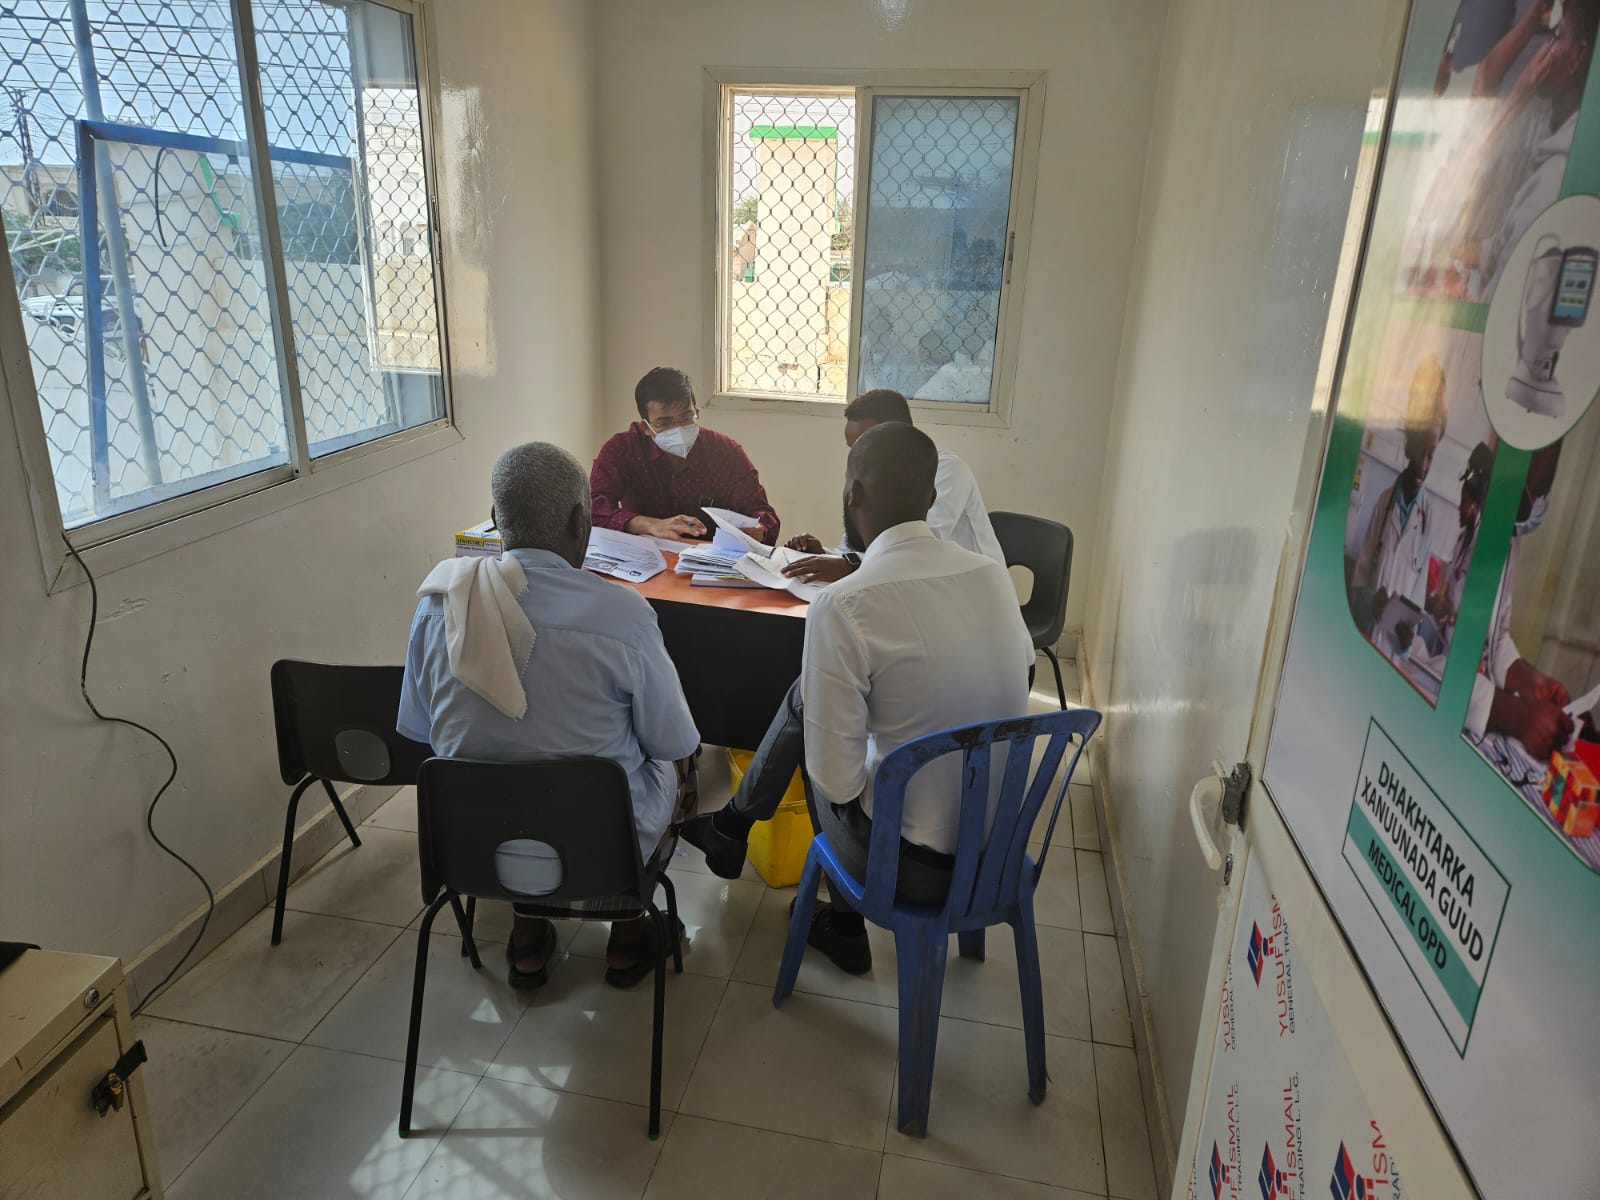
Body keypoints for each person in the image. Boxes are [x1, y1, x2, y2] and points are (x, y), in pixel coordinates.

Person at [681, 422, 1035, 974]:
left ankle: (837, 920)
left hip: (912, 870)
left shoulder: (844, 604)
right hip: (1001, 852)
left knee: (819, 729)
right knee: (823, 706)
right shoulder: (991, 577)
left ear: (852, 495)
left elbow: (838, 781)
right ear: (932, 496)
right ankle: (730, 828)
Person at [399, 442, 701, 990]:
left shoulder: (439, 603)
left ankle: (527, 936)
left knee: (504, 764)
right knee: (685, 759)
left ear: (495, 521)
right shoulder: (623, 615)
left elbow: (423, 732)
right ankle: (629, 937)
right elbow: (669, 739)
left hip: (473, 850)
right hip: (601, 851)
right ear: (581, 520)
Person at [783, 389, 1005, 585]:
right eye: (853, 448)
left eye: (866, 443)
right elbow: (859, 548)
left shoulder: (947, 470)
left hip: (970, 594)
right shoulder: (871, 476)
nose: (858, 456)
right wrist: (824, 555)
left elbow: (918, 550)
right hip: (913, 585)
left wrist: (848, 565)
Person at [1466, 441, 1578, 758]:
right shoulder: (1460, 516)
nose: (1535, 501)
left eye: (1543, 488)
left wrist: (1527, 678)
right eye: (1534, 486)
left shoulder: (1506, 533)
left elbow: (1495, 635)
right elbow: (1420, 653)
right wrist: (1517, 716)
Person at [590, 366, 780, 544]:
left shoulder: (725, 451)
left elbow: (761, 513)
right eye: (664, 423)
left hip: (711, 556)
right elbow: (592, 509)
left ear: (696, 412)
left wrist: (759, 528)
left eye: (685, 417)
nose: (678, 428)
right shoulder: (623, 449)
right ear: (645, 427)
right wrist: (651, 525)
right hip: (644, 554)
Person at [1350, 356, 1448, 631]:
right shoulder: (1385, 503)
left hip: (1393, 649)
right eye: (1419, 450)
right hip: (1367, 632)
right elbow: (1359, 578)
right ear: (1408, 447)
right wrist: (1371, 601)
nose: (1424, 464)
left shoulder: (1428, 518)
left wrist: (1406, 641)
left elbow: (1416, 599)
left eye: (1431, 455)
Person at [1427, 440, 1495, 634]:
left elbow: (1480, 614)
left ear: (1475, 505)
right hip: (1446, 639)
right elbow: (1452, 591)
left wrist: (1453, 617)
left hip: (1461, 640)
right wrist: (1441, 603)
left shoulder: (1483, 548)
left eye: (1464, 502)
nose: (1459, 507)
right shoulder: (1462, 540)